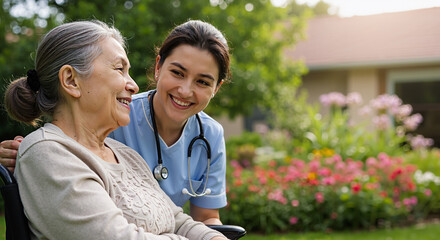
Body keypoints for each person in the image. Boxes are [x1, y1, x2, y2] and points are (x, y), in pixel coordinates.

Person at [3, 20, 227, 240]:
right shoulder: (48, 153)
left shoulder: (124, 153)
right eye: (120, 69)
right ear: (71, 80)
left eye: (203, 82)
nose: (134, 85)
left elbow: (180, 221)